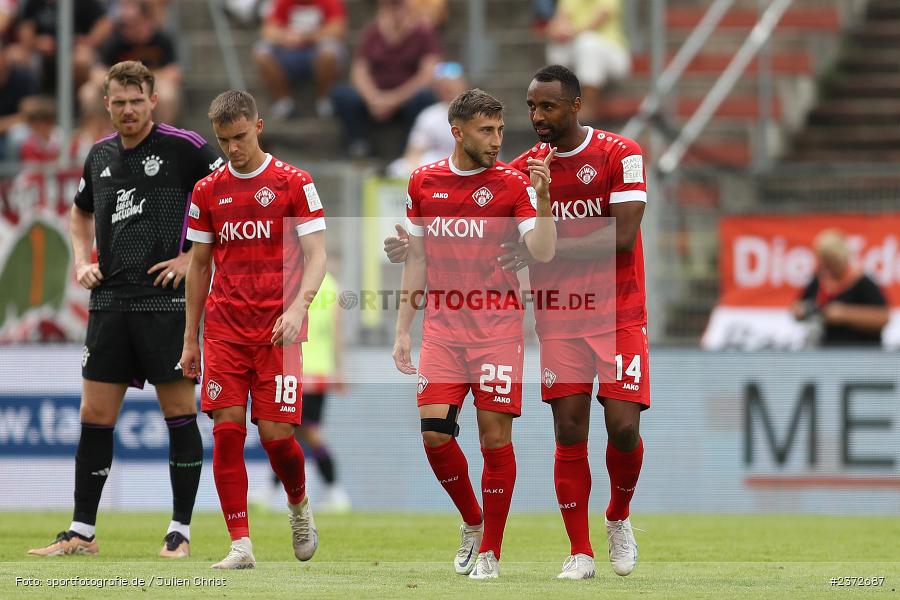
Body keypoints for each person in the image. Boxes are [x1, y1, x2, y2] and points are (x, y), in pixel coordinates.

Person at [384, 65, 648, 580]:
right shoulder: (524, 170)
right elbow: (483, 235)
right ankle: (580, 551)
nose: (536, 118)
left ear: (576, 105)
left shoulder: (622, 153)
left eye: (546, 107)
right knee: (568, 431)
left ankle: (618, 515)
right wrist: (418, 247)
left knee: (622, 428)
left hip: (618, 312)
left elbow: (620, 236)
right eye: (530, 107)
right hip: (557, 317)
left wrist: (536, 248)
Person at [27, 60, 220, 560]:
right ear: (106, 104)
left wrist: (189, 258)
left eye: (138, 100)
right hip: (110, 301)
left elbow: (228, 203)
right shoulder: (99, 156)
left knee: (179, 413)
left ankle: (179, 530)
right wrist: (79, 261)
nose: (129, 109)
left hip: (168, 304)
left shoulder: (186, 148)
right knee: (94, 415)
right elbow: (80, 213)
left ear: (153, 100)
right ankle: (81, 532)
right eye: (120, 101)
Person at [393, 88, 556, 579]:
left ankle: (491, 551)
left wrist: (544, 198)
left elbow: (543, 251)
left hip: (497, 331)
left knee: (492, 438)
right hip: (442, 332)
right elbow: (416, 259)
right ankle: (472, 520)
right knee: (435, 437)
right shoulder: (423, 182)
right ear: (457, 131)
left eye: (501, 130)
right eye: (487, 131)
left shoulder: (513, 184)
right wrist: (403, 330)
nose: (497, 140)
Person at [180, 89, 327, 569]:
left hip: (278, 332)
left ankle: (299, 505)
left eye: (240, 137)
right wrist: (191, 338)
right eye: (224, 140)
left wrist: (299, 309)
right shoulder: (207, 190)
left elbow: (317, 255)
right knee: (225, 431)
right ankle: (240, 544)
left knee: (278, 438)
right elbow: (199, 267)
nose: (233, 148)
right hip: (224, 331)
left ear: (258, 127)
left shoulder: (293, 182)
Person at [331, 0, 441, 158]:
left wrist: (394, 99)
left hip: (407, 99)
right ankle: (358, 144)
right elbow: (359, 70)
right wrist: (373, 98)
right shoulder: (373, 31)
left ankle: (407, 147)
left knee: (424, 97)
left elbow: (427, 74)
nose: (395, 10)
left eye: (398, 5)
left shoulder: (423, 33)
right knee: (342, 94)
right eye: (390, 5)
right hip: (374, 98)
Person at [793, 228, 889, 346]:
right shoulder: (819, 281)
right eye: (825, 263)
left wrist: (844, 314)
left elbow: (883, 317)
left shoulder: (863, 283)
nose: (828, 269)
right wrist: (801, 311)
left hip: (861, 352)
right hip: (824, 350)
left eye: (832, 263)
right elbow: (799, 306)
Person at [91, 0, 182, 124]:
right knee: (88, 93)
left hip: (152, 85)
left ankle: (160, 137)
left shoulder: (162, 39)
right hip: (120, 86)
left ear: (146, 20)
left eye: (131, 23)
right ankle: (106, 136)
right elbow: (96, 73)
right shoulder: (115, 40)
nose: (126, 28)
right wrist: (121, 82)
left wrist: (141, 80)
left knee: (167, 94)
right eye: (124, 24)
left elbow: (174, 73)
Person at [253, 0, 347, 120]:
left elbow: (338, 29)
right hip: (287, 52)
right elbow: (268, 29)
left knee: (330, 51)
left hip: (317, 52)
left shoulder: (330, 2)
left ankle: (323, 99)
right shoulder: (282, 2)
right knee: (261, 51)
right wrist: (285, 36)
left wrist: (307, 37)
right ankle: (284, 101)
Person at [544, 0, 630, 120]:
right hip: (580, 49)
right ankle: (560, 103)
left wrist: (570, 34)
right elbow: (558, 21)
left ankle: (588, 107)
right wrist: (555, 31)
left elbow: (598, 20)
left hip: (614, 54)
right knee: (558, 47)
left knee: (587, 42)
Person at [387, 61, 466, 179]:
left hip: (468, 164)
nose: (448, 88)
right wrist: (415, 172)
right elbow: (414, 151)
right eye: (444, 85)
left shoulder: (478, 113)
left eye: (452, 84)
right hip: (437, 164)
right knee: (398, 168)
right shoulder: (429, 115)